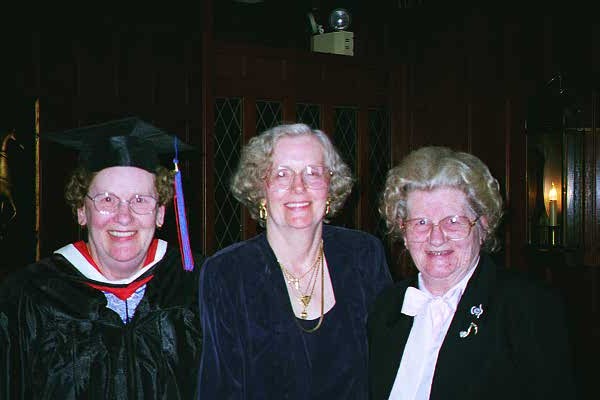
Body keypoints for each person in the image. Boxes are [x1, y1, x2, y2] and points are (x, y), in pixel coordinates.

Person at [0, 117, 202, 399]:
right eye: (107, 199)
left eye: (140, 200)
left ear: (160, 213)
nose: (123, 216)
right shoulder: (27, 299)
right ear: (82, 210)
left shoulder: (199, 290)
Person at [197, 123, 392, 399]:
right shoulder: (228, 272)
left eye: (313, 173)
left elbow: (390, 368)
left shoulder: (363, 255)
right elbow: (220, 389)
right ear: (260, 188)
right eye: (281, 174)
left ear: (330, 186)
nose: (298, 187)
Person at [368, 146, 576, 400]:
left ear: (483, 226)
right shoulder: (386, 308)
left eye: (453, 221)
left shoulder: (527, 306)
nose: (436, 238)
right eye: (421, 223)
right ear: (404, 232)